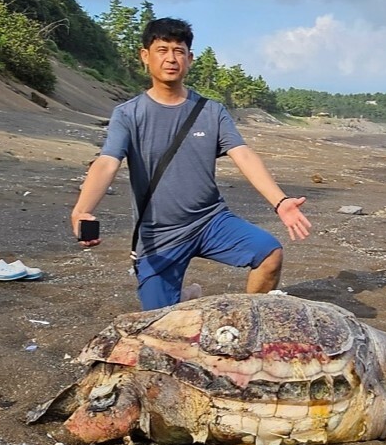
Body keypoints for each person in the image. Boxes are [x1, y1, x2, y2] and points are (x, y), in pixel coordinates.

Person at [70, 17, 311, 310]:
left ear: (190, 59)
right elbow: (107, 162)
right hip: (159, 235)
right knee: (161, 326)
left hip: (211, 221)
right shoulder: (128, 114)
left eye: (179, 51)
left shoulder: (211, 111)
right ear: (145, 56)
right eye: (162, 50)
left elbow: (243, 154)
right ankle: (183, 298)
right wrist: (83, 209)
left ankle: (250, 319)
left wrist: (280, 201)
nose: (171, 58)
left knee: (269, 254)